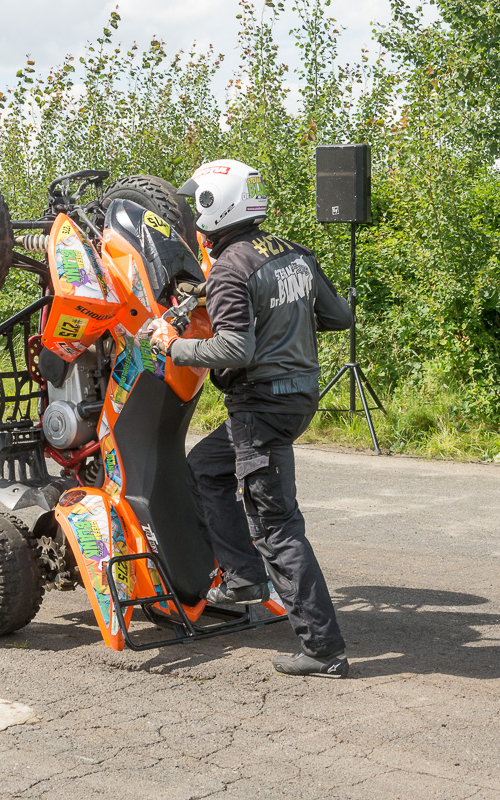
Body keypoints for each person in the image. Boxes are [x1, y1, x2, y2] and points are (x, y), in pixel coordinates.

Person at [146, 159, 354, 678]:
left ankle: (324, 650)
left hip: (261, 407)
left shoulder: (231, 269)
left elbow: (235, 348)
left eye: (197, 206)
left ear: (215, 208)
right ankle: (243, 577)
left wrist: (175, 344)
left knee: (277, 527)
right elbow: (339, 316)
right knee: (206, 468)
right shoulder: (291, 253)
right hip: (299, 396)